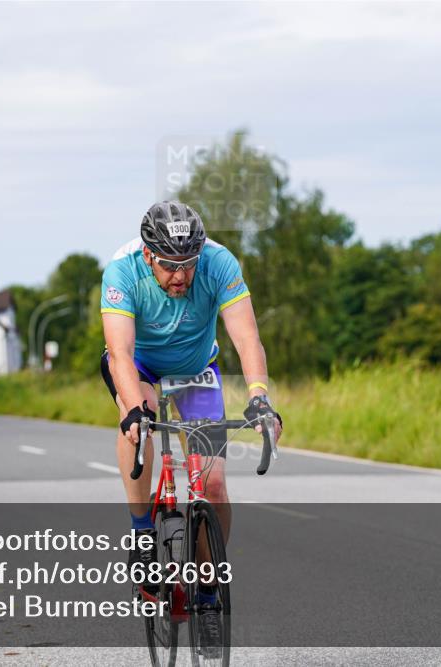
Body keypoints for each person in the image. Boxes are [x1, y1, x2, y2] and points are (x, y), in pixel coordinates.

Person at [99, 200, 283, 647]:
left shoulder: (219, 262)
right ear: (148, 256)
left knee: (214, 485)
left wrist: (259, 395)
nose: (180, 276)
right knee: (137, 423)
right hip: (139, 365)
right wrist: (132, 408)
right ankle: (142, 532)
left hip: (197, 369)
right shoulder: (122, 271)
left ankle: (205, 592)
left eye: (188, 265)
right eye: (168, 266)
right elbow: (120, 352)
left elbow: (246, 336)